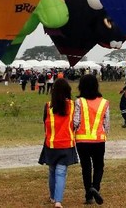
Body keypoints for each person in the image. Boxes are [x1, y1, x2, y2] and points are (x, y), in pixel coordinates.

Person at [38, 78, 78, 208]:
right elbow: (76, 123)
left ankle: (52, 196)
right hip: (67, 144)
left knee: (52, 171)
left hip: (51, 143)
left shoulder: (48, 105)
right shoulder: (73, 105)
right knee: (61, 172)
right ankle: (58, 201)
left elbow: (45, 124)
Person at [74, 74, 108, 205]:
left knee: (86, 167)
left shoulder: (79, 102)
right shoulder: (104, 102)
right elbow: (107, 124)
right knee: (99, 166)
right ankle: (96, 187)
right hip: (99, 140)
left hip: (82, 140)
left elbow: (76, 121)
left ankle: (88, 196)